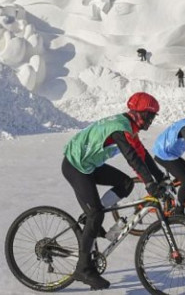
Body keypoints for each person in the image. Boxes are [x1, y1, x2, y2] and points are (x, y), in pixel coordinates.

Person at [61, 92, 170, 290]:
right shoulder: (120, 129)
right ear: (137, 113)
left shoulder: (129, 126)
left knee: (125, 184)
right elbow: (132, 158)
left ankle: (91, 217)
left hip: (89, 164)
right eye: (149, 116)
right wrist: (149, 183)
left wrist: (160, 177)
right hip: (75, 165)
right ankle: (83, 269)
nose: (151, 120)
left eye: (153, 117)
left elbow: (142, 154)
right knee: (96, 214)